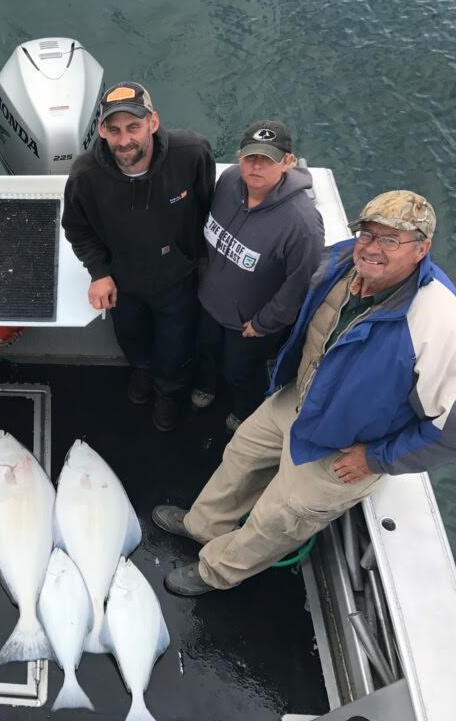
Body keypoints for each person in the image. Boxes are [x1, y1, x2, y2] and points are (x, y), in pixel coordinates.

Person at [153, 190, 456, 595]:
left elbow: (448, 432)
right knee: (241, 455)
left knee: (279, 516)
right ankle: (202, 525)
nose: (373, 248)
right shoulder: (342, 259)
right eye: (368, 234)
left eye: (391, 239)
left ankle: (217, 572)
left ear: (422, 249)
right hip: (298, 399)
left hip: (348, 447)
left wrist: (374, 458)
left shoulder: (439, 321)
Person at [62, 82, 215, 431]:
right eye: (113, 130)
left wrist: (201, 262)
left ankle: (168, 392)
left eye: (133, 127)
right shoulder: (85, 175)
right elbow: (76, 228)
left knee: (176, 347)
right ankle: (142, 372)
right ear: (101, 130)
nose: (124, 139)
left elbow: (208, 206)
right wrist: (99, 272)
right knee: (131, 337)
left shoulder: (192, 152)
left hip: (178, 278)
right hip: (123, 281)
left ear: (154, 123)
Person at [191, 121, 324, 433]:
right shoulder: (228, 180)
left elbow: (299, 285)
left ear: (288, 161)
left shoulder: (302, 225)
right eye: (251, 157)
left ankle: (243, 411)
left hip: (251, 323)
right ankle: (206, 386)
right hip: (209, 301)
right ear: (239, 157)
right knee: (205, 351)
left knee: (240, 372)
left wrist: (264, 323)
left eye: (268, 159)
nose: (257, 167)